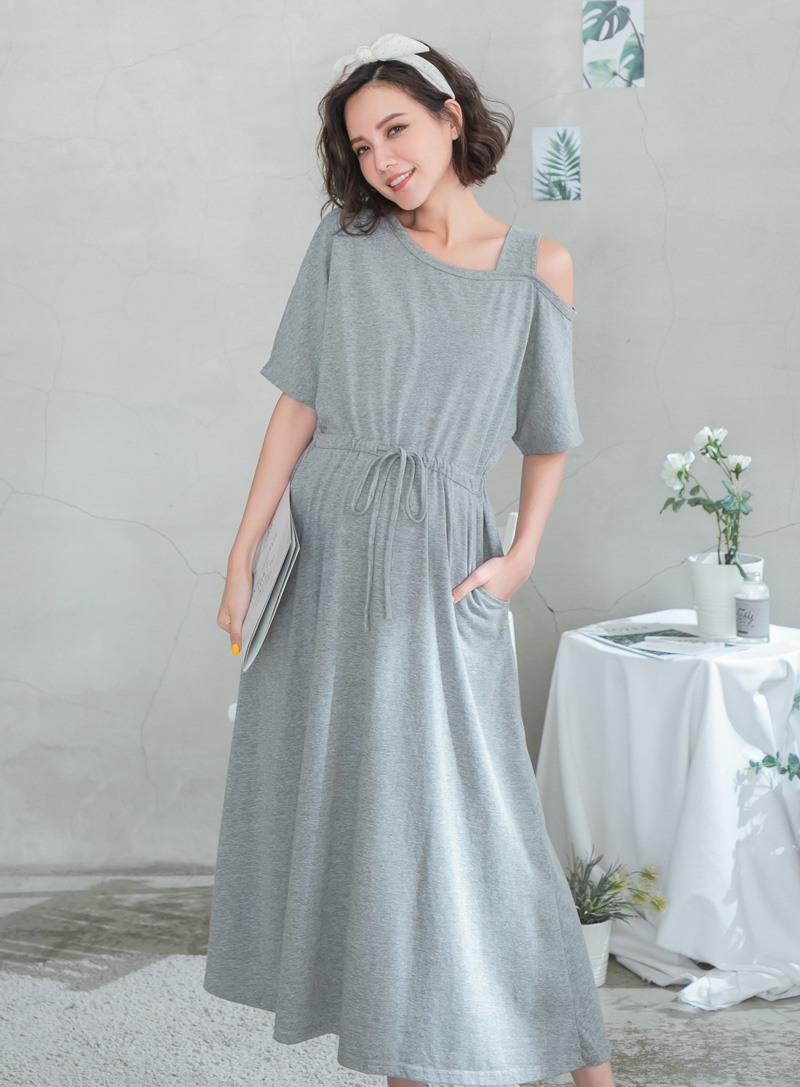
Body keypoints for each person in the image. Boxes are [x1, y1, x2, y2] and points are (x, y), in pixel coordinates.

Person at [203, 32, 616, 1087]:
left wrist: (520, 557)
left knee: (471, 816)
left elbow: (548, 435)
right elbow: (297, 402)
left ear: (448, 117)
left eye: (395, 129)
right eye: (361, 146)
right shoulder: (345, 243)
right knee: (356, 811)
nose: (382, 159)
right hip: (326, 544)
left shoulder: (536, 268)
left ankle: (582, 1061)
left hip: (439, 557)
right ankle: (405, 1060)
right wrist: (243, 553)